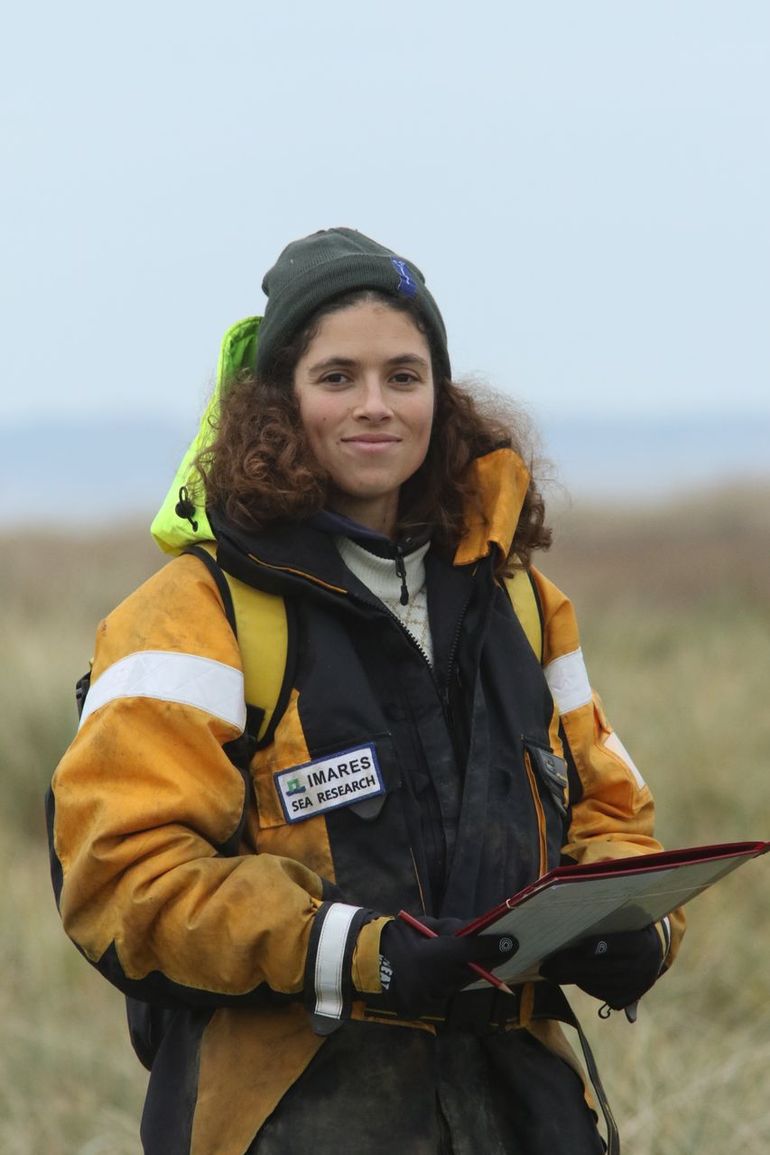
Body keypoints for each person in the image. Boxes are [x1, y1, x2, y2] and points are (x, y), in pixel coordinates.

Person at [47, 228, 684, 1155]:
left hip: (523, 1115)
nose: (375, 406)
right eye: (336, 376)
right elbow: (123, 878)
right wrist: (360, 953)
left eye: (405, 375)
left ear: (442, 396)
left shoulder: (524, 602)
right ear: (275, 403)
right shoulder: (192, 615)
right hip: (296, 1119)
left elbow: (614, 818)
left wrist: (637, 929)